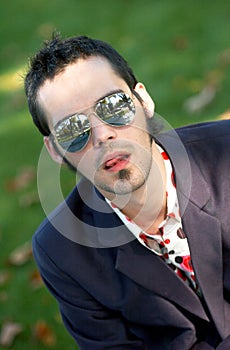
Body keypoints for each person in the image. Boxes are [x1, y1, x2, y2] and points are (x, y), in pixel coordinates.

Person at [24, 34, 230, 349]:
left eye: (113, 106)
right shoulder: (61, 252)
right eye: (72, 129)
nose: (103, 134)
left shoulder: (224, 156)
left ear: (143, 101)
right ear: (54, 150)